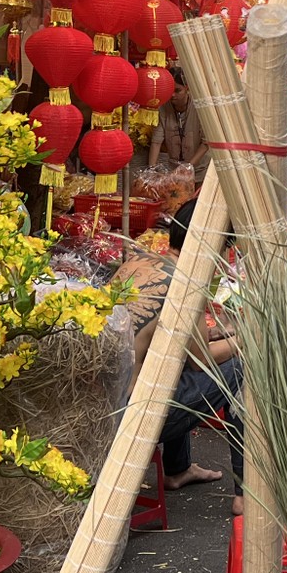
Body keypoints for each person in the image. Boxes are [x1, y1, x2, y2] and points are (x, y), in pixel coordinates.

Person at [111, 201, 244, 509]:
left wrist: (224, 332)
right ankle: (245, 494)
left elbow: (172, 340)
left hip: (105, 403)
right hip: (134, 416)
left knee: (170, 364)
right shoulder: (187, 284)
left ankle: (178, 469)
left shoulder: (138, 262)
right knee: (241, 368)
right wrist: (246, 340)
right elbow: (202, 361)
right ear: (215, 247)